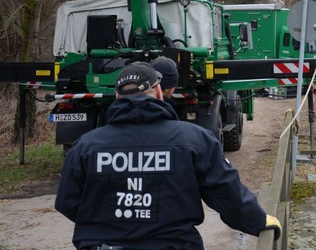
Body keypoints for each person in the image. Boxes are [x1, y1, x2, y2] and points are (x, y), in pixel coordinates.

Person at [55, 61, 281, 249]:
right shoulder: (194, 140)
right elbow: (226, 193)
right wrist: (258, 221)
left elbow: (68, 202)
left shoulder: (86, 146)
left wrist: (113, 223)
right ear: (159, 92)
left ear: (117, 97)